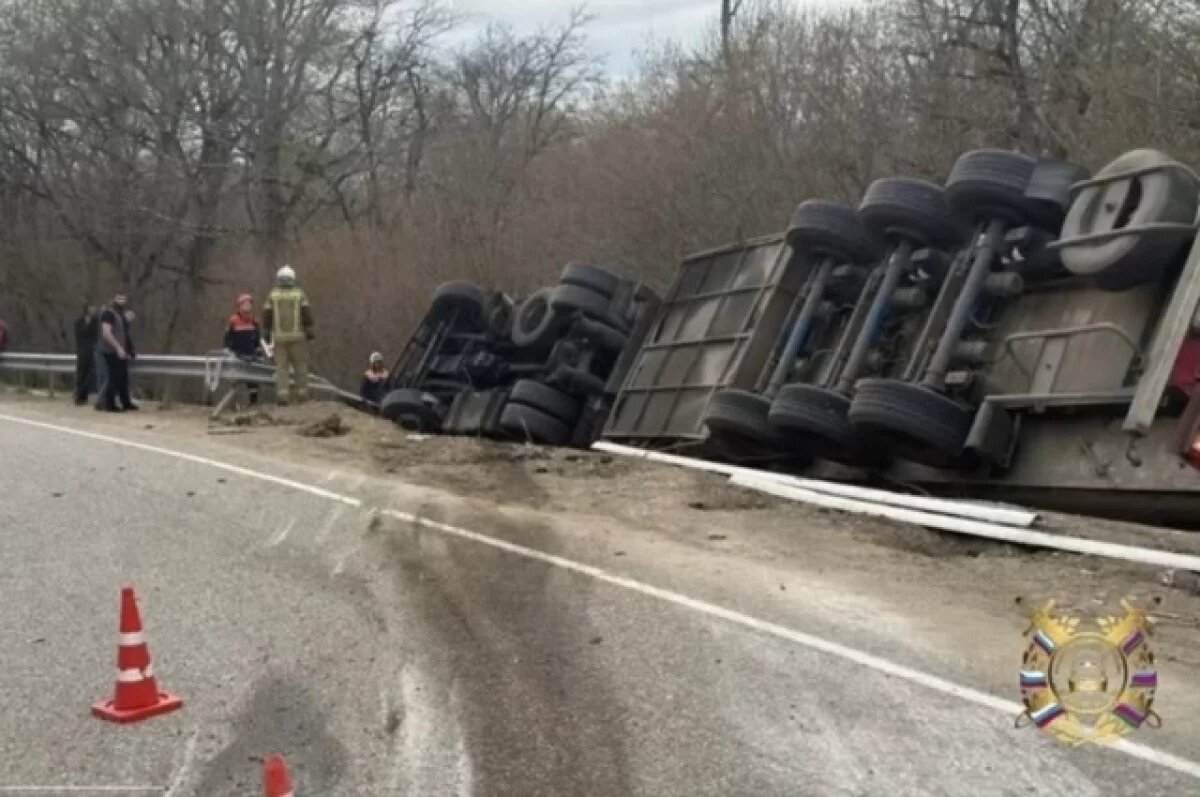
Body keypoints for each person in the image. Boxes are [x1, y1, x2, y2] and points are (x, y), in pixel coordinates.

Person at [261, 265, 314, 406]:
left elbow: (267, 315)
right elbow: (306, 314)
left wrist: (266, 331)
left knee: (282, 368)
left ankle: (282, 396)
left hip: (279, 338)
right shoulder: (299, 294)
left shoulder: (273, 295)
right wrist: (309, 329)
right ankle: (302, 395)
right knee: (300, 366)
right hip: (297, 337)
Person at [95, 293, 138, 412]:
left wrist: (129, 349)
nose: (122, 301)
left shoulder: (120, 315)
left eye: (124, 298)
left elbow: (123, 334)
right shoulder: (108, 313)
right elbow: (106, 333)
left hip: (120, 351)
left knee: (123, 377)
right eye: (119, 298)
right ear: (114, 299)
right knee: (113, 378)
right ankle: (109, 404)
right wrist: (118, 347)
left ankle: (126, 402)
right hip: (110, 351)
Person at [224, 293, 265, 406]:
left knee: (253, 380)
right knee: (235, 380)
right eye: (245, 304)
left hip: (251, 354)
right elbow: (227, 337)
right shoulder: (233, 320)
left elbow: (257, 337)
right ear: (240, 306)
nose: (247, 306)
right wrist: (227, 349)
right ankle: (234, 403)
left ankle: (253, 403)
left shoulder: (254, 321)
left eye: (249, 304)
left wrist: (258, 349)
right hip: (237, 354)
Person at [73, 304, 99, 405]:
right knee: (81, 374)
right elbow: (78, 336)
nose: (93, 310)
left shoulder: (97, 322)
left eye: (94, 309)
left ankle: (84, 393)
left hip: (93, 350)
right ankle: (79, 396)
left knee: (90, 375)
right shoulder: (79, 322)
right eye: (91, 309)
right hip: (82, 351)